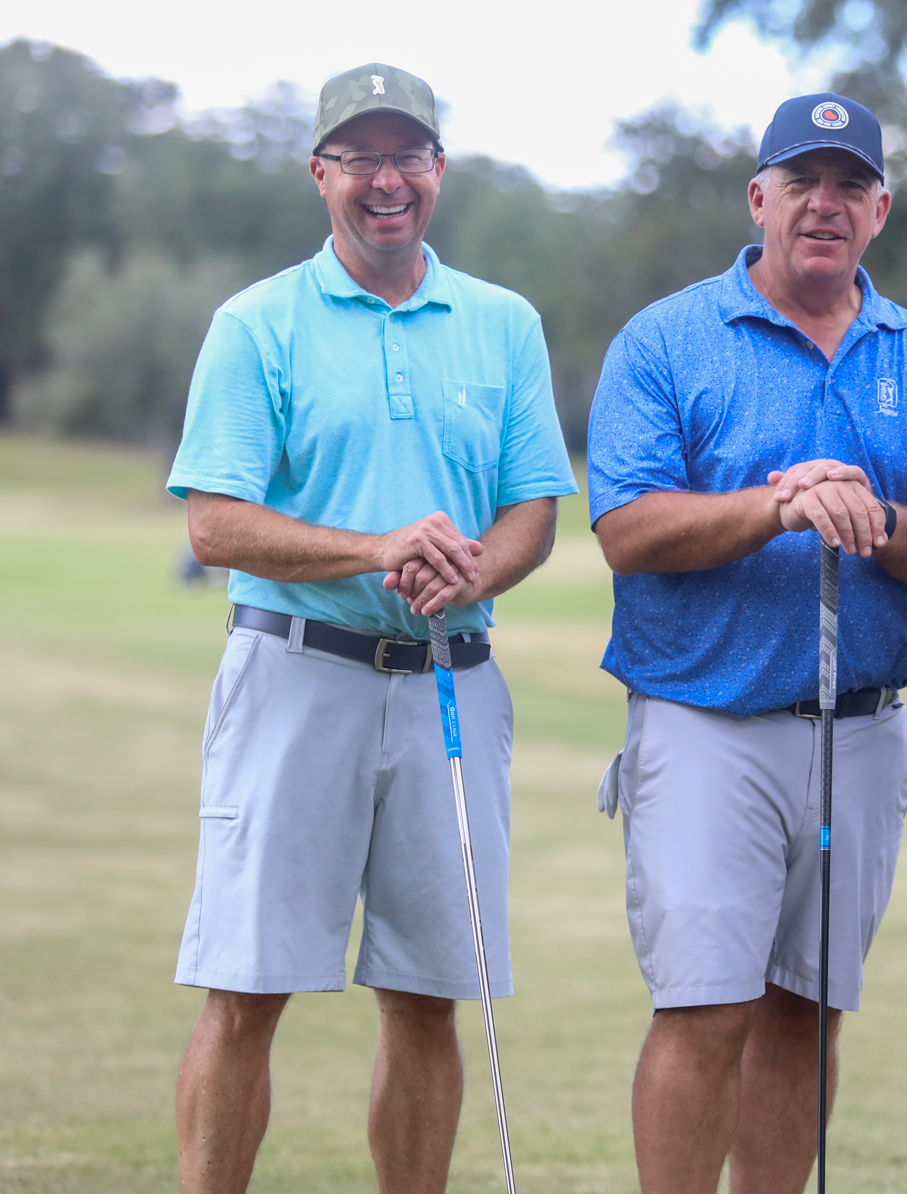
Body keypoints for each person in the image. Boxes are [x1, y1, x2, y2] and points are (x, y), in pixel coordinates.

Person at [167, 63, 575, 1194]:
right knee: (247, 987)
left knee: (427, 996)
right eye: (361, 159)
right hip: (297, 674)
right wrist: (376, 548)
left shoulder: (503, 323)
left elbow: (533, 510)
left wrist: (470, 569)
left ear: (438, 170)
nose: (387, 181)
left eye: (408, 157)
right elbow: (214, 523)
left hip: (451, 677)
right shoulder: (256, 323)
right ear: (320, 174)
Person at [587, 93, 907, 1194]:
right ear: (758, 198)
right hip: (707, 722)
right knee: (705, 1007)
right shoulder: (666, 339)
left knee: (807, 1010)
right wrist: (780, 506)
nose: (824, 204)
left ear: (880, 210)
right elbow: (627, 531)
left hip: (862, 731)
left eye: (850, 186)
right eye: (801, 182)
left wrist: (872, 515)